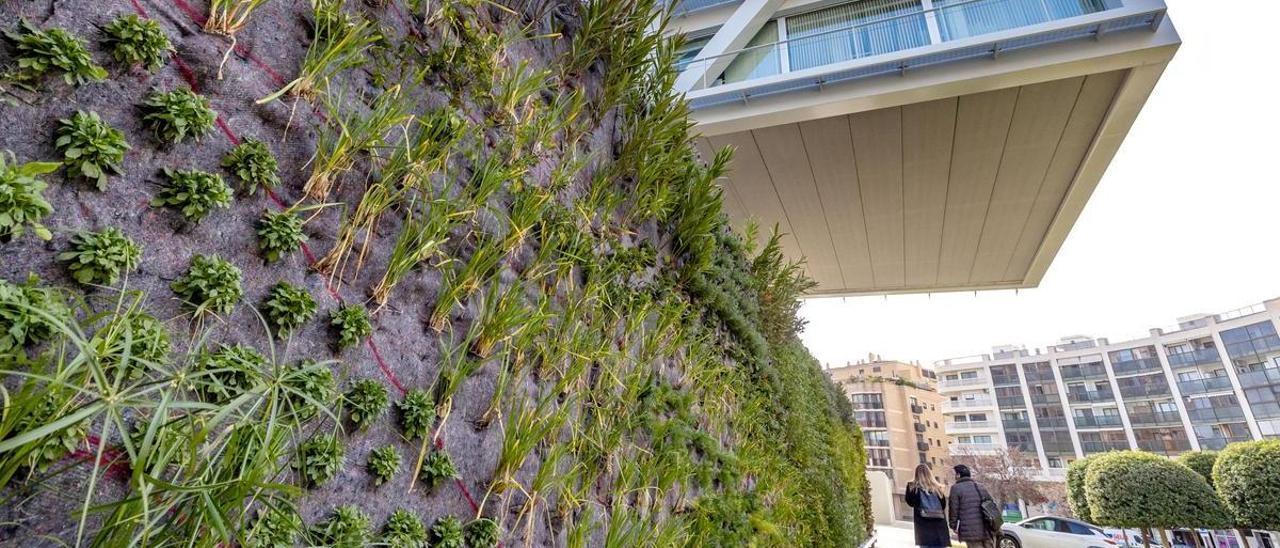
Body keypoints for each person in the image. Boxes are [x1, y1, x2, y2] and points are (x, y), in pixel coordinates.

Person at [948, 464, 997, 548]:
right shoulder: (980, 486)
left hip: (970, 530)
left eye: (956, 474)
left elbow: (953, 509)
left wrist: (953, 525)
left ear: (958, 475)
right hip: (986, 528)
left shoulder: (955, 488)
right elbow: (991, 505)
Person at [905, 463, 951, 548]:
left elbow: (910, 502)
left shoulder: (912, 487)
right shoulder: (938, 488)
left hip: (923, 525)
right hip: (939, 525)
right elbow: (943, 505)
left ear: (916, 474)